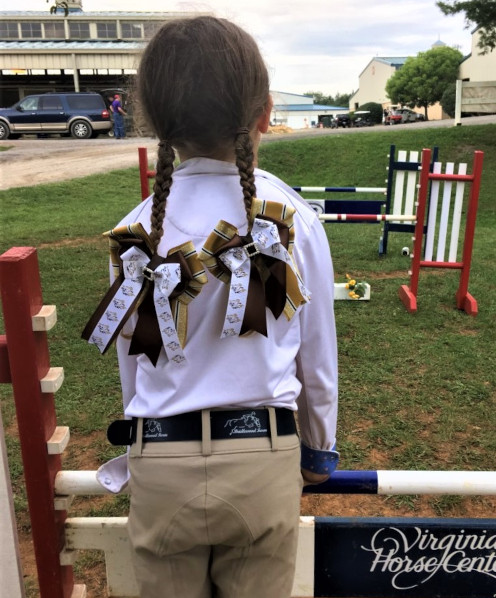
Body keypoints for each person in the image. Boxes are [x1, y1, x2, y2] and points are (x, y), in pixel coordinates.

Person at [83, 15, 339, 598]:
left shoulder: (136, 229)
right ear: (265, 111)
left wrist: (143, 437)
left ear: (152, 118)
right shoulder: (291, 216)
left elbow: (137, 360)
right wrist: (319, 448)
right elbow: (317, 354)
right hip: (264, 461)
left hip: (161, 462)